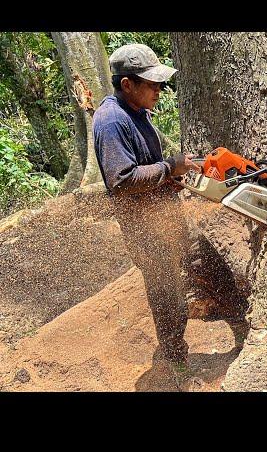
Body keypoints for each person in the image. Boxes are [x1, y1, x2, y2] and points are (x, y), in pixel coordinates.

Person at [92, 43, 202, 390]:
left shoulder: (136, 111)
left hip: (161, 217)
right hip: (145, 228)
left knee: (173, 284)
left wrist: (170, 177)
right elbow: (122, 180)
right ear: (127, 84)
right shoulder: (111, 121)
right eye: (151, 83)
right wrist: (169, 166)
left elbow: (143, 165)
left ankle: (174, 347)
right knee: (165, 290)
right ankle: (174, 363)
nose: (158, 89)